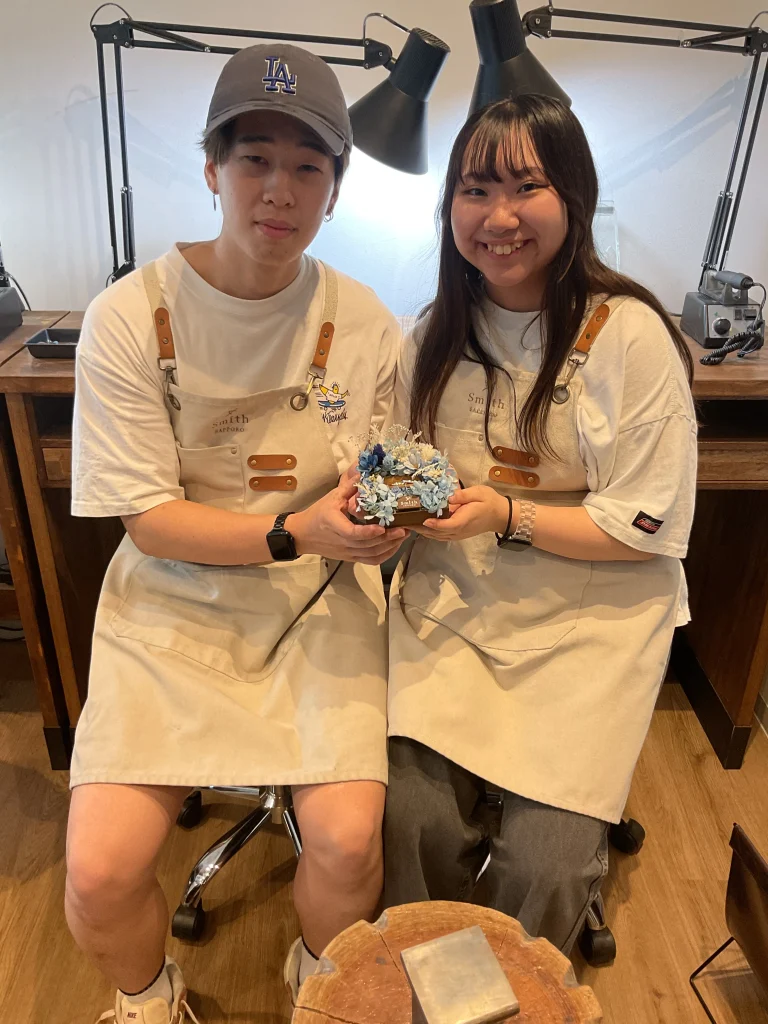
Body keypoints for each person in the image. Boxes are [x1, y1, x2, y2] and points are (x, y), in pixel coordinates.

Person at [65, 44, 406, 1024]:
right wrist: (297, 531)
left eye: (308, 166)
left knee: (348, 840)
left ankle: (322, 982)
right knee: (99, 869)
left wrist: (383, 521)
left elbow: (379, 478)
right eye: (255, 159)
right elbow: (148, 518)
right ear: (213, 169)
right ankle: (148, 998)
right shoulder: (131, 317)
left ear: (335, 187)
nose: (279, 190)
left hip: (317, 604)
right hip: (172, 603)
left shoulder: (365, 321)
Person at [384, 95, 698, 954]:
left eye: (527, 186)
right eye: (476, 189)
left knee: (546, 867)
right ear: (450, 206)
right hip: (457, 609)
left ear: (575, 195)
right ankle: (417, 978)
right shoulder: (431, 336)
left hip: (592, 623)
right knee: (405, 821)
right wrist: (379, 508)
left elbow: (646, 526)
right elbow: (405, 473)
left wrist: (507, 513)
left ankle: (516, 995)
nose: (500, 217)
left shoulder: (629, 337)